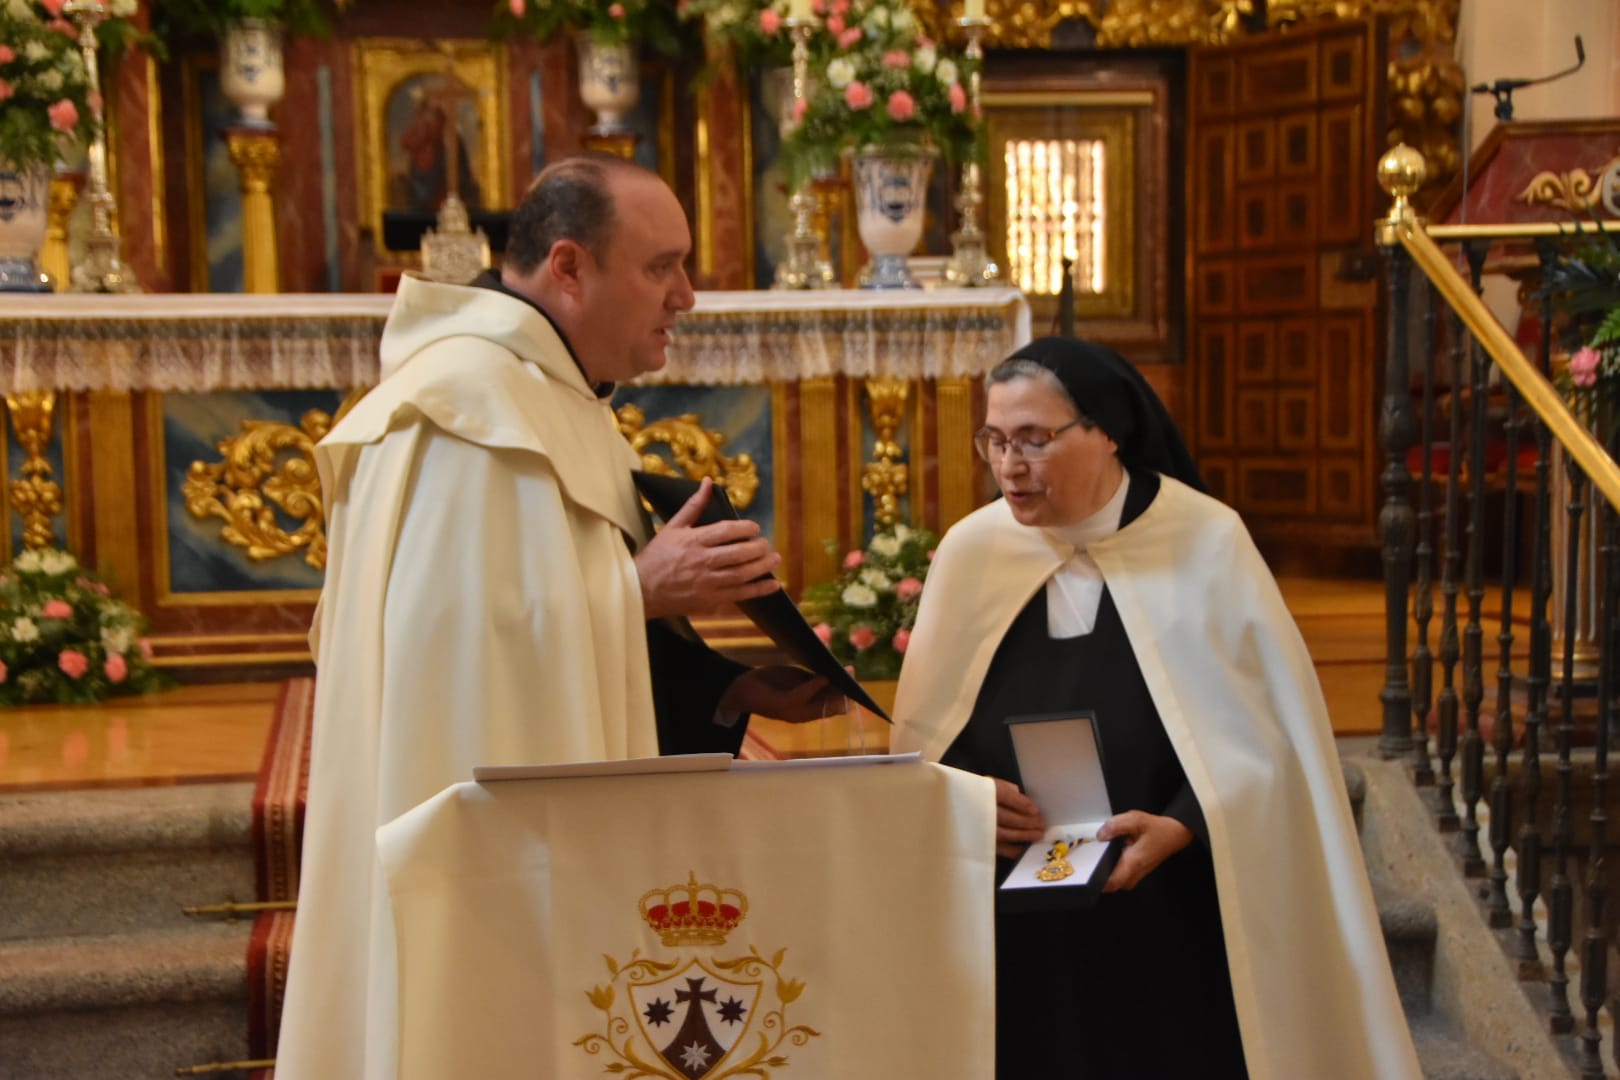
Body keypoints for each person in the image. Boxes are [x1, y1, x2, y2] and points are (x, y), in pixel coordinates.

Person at [275, 153, 841, 1080]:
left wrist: (730, 687)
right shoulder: (465, 410)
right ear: (570, 267)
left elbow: (538, 611)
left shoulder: (550, 397)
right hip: (481, 873)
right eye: (662, 267)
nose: (687, 297)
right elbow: (447, 650)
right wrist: (638, 588)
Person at [892, 337, 1420, 1079]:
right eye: (996, 440)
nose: (1009, 466)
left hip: (1172, 904)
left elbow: (1273, 743)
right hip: (1019, 907)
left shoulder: (1205, 540)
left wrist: (1184, 823)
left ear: (1107, 431)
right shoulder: (971, 550)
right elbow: (926, 739)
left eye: (1035, 439)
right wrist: (971, 798)